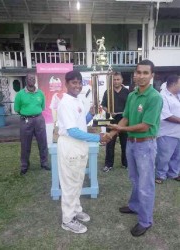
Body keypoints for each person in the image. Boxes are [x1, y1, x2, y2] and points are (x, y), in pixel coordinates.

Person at [108, 60, 163, 237]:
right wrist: (112, 134)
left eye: (145, 73)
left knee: (146, 185)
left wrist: (120, 129)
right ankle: (134, 206)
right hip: (132, 144)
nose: (140, 76)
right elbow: (125, 117)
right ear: (134, 74)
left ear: (152, 76)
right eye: (138, 72)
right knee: (134, 178)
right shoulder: (132, 95)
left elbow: (145, 126)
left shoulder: (154, 97)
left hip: (145, 145)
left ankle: (145, 221)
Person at [57, 70, 112, 234]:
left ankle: (75, 209)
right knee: (69, 184)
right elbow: (73, 131)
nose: (77, 85)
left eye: (79, 82)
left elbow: (81, 122)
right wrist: (98, 138)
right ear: (66, 84)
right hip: (70, 144)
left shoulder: (78, 100)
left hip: (79, 145)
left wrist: (91, 114)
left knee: (78, 180)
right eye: (73, 82)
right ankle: (67, 219)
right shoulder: (65, 103)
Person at [14, 74, 50, 175]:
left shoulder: (40, 93)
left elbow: (42, 107)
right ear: (26, 80)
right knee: (25, 144)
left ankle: (44, 163)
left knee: (43, 142)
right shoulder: (20, 94)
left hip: (39, 119)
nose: (32, 80)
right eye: (30, 78)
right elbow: (17, 109)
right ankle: (24, 166)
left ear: (35, 80)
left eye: (33, 78)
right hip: (25, 120)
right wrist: (27, 114)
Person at [101, 72, 129, 172]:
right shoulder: (107, 92)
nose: (116, 81)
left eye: (118, 79)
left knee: (125, 143)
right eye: (114, 79)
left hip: (124, 120)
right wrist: (108, 111)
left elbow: (130, 106)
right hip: (111, 120)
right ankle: (108, 164)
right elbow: (103, 105)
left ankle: (126, 163)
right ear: (111, 80)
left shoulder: (127, 92)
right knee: (110, 142)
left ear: (122, 80)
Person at [155, 75, 180, 184]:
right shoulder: (163, 96)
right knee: (164, 156)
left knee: (177, 156)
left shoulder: (177, 96)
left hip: (178, 132)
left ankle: (174, 173)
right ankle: (160, 175)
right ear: (174, 84)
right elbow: (166, 115)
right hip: (167, 133)